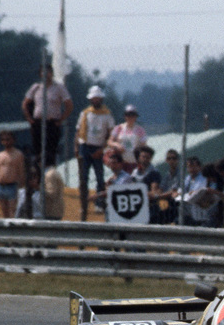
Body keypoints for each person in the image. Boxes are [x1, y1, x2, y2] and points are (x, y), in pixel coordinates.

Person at [75, 85, 115, 218]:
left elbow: (110, 133)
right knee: (83, 177)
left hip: (98, 147)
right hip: (85, 146)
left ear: (101, 99)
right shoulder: (85, 113)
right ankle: (83, 205)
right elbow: (78, 131)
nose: (96, 100)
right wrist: (77, 147)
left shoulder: (107, 114)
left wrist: (103, 149)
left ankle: (99, 203)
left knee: (99, 177)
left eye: (98, 98)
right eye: (94, 98)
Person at [21, 64, 73, 167]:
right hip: (38, 122)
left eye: (48, 72)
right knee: (38, 152)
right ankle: (39, 176)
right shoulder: (36, 87)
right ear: (40, 74)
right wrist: (29, 118)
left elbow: (69, 105)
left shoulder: (59, 88)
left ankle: (50, 175)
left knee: (50, 152)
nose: (45, 75)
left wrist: (61, 120)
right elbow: (25, 103)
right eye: (43, 72)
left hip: (52, 123)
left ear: (52, 73)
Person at [0, 131, 25, 219]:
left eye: (8, 139)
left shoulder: (18, 154)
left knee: (12, 211)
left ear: (13, 140)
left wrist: (21, 188)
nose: (6, 142)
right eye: (3, 140)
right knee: (3, 212)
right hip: (0, 186)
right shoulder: (0, 155)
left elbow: (21, 172)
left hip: (12, 186)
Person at [106, 105, 146, 173]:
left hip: (135, 163)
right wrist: (117, 145)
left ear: (136, 117)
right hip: (121, 163)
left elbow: (144, 147)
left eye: (132, 115)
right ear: (125, 116)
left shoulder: (140, 130)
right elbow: (109, 141)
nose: (130, 117)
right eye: (128, 115)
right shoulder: (118, 128)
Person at [129, 145, 163, 224]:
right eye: (143, 156)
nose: (144, 159)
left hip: (150, 208)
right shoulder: (135, 173)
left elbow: (154, 192)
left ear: (150, 158)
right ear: (139, 157)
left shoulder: (154, 172)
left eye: (147, 157)